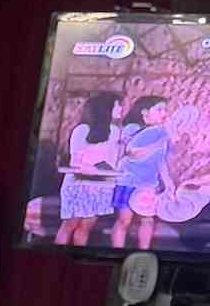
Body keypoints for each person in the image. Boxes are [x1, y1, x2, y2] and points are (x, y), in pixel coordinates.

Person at [54, 92, 119, 246]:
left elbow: (112, 159)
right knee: (70, 225)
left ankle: (78, 253)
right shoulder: (82, 130)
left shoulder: (115, 131)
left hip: (101, 186)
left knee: (86, 227)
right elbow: (75, 160)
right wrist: (90, 168)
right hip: (79, 184)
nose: (121, 109)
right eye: (117, 106)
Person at [110, 97, 174, 252]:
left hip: (149, 184)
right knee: (124, 220)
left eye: (165, 109)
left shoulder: (161, 132)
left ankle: (143, 253)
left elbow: (160, 161)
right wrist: (158, 143)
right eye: (159, 109)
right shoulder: (133, 128)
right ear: (145, 112)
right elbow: (133, 153)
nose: (164, 113)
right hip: (129, 182)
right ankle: (117, 253)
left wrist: (168, 182)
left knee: (148, 220)